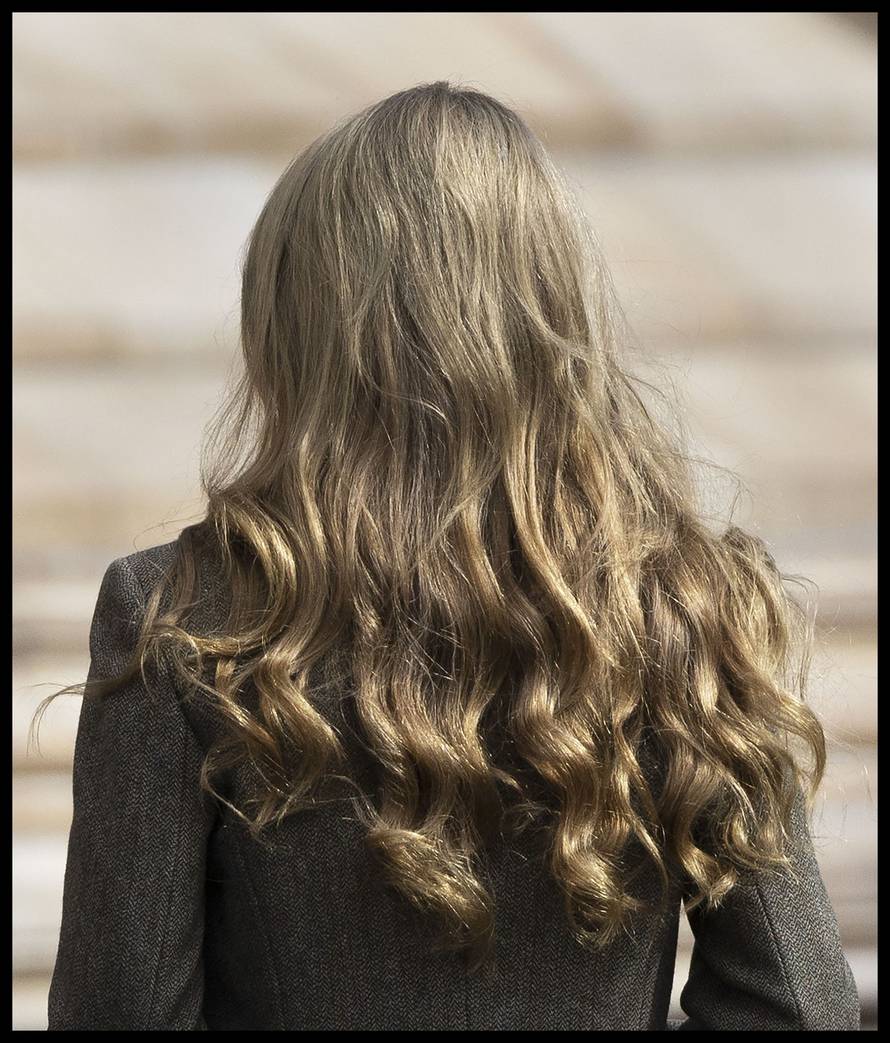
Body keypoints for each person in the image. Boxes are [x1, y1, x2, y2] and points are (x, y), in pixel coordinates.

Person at [39, 82, 859, 1031]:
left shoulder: (185, 617)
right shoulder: (687, 606)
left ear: (294, 326)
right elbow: (800, 1008)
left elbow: (123, 1012)